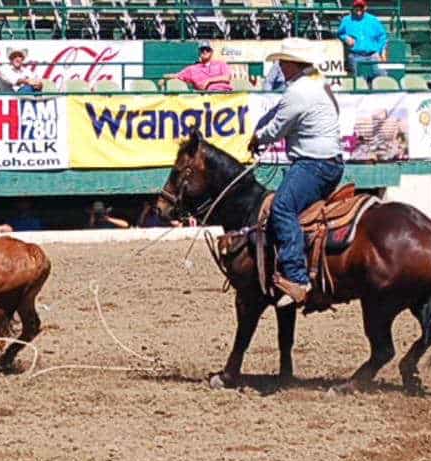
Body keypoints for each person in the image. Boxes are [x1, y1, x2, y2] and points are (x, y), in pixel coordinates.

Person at [247, 38, 344, 308]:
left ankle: (298, 278)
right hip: (331, 162)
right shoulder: (316, 82)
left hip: (313, 163)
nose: (279, 66)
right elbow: (278, 114)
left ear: (293, 63)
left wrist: (257, 138)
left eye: (283, 61)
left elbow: (277, 127)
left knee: (282, 207)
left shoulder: (298, 91)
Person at [337, 0, 388, 80]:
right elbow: (340, 33)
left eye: (361, 7)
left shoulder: (373, 20)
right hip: (355, 56)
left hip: (373, 55)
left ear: (365, 8)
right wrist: (346, 38)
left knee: (383, 79)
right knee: (359, 82)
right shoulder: (346, 20)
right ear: (353, 8)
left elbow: (382, 36)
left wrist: (381, 52)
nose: (359, 9)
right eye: (356, 7)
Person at [163, 41, 233, 92]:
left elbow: (226, 78)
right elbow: (177, 75)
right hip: (206, 96)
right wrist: (164, 78)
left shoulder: (220, 64)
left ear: (211, 52)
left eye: (207, 50)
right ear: (199, 53)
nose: (205, 51)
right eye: (202, 50)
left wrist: (208, 81)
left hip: (225, 94)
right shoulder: (192, 69)